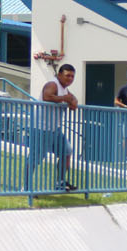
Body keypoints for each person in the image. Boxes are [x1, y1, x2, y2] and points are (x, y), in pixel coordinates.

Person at [28, 63, 78, 192]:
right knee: (35, 157)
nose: (70, 79)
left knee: (66, 152)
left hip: (55, 129)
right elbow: (47, 96)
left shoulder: (64, 89)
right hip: (41, 128)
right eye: (67, 75)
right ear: (59, 75)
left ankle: (60, 183)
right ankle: (26, 188)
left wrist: (71, 101)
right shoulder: (53, 84)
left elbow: (73, 101)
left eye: (72, 76)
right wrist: (65, 99)